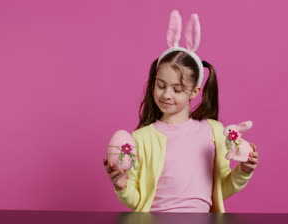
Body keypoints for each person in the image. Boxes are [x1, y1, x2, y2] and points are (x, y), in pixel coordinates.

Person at [103, 10, 259, 213]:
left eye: (177, 89)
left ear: (194, 92)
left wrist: (244, 171)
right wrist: (122, 185)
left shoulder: (213, 132)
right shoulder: (141, 138)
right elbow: (137, 200)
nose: (167, 95)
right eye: (160, 85)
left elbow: (221, 188)